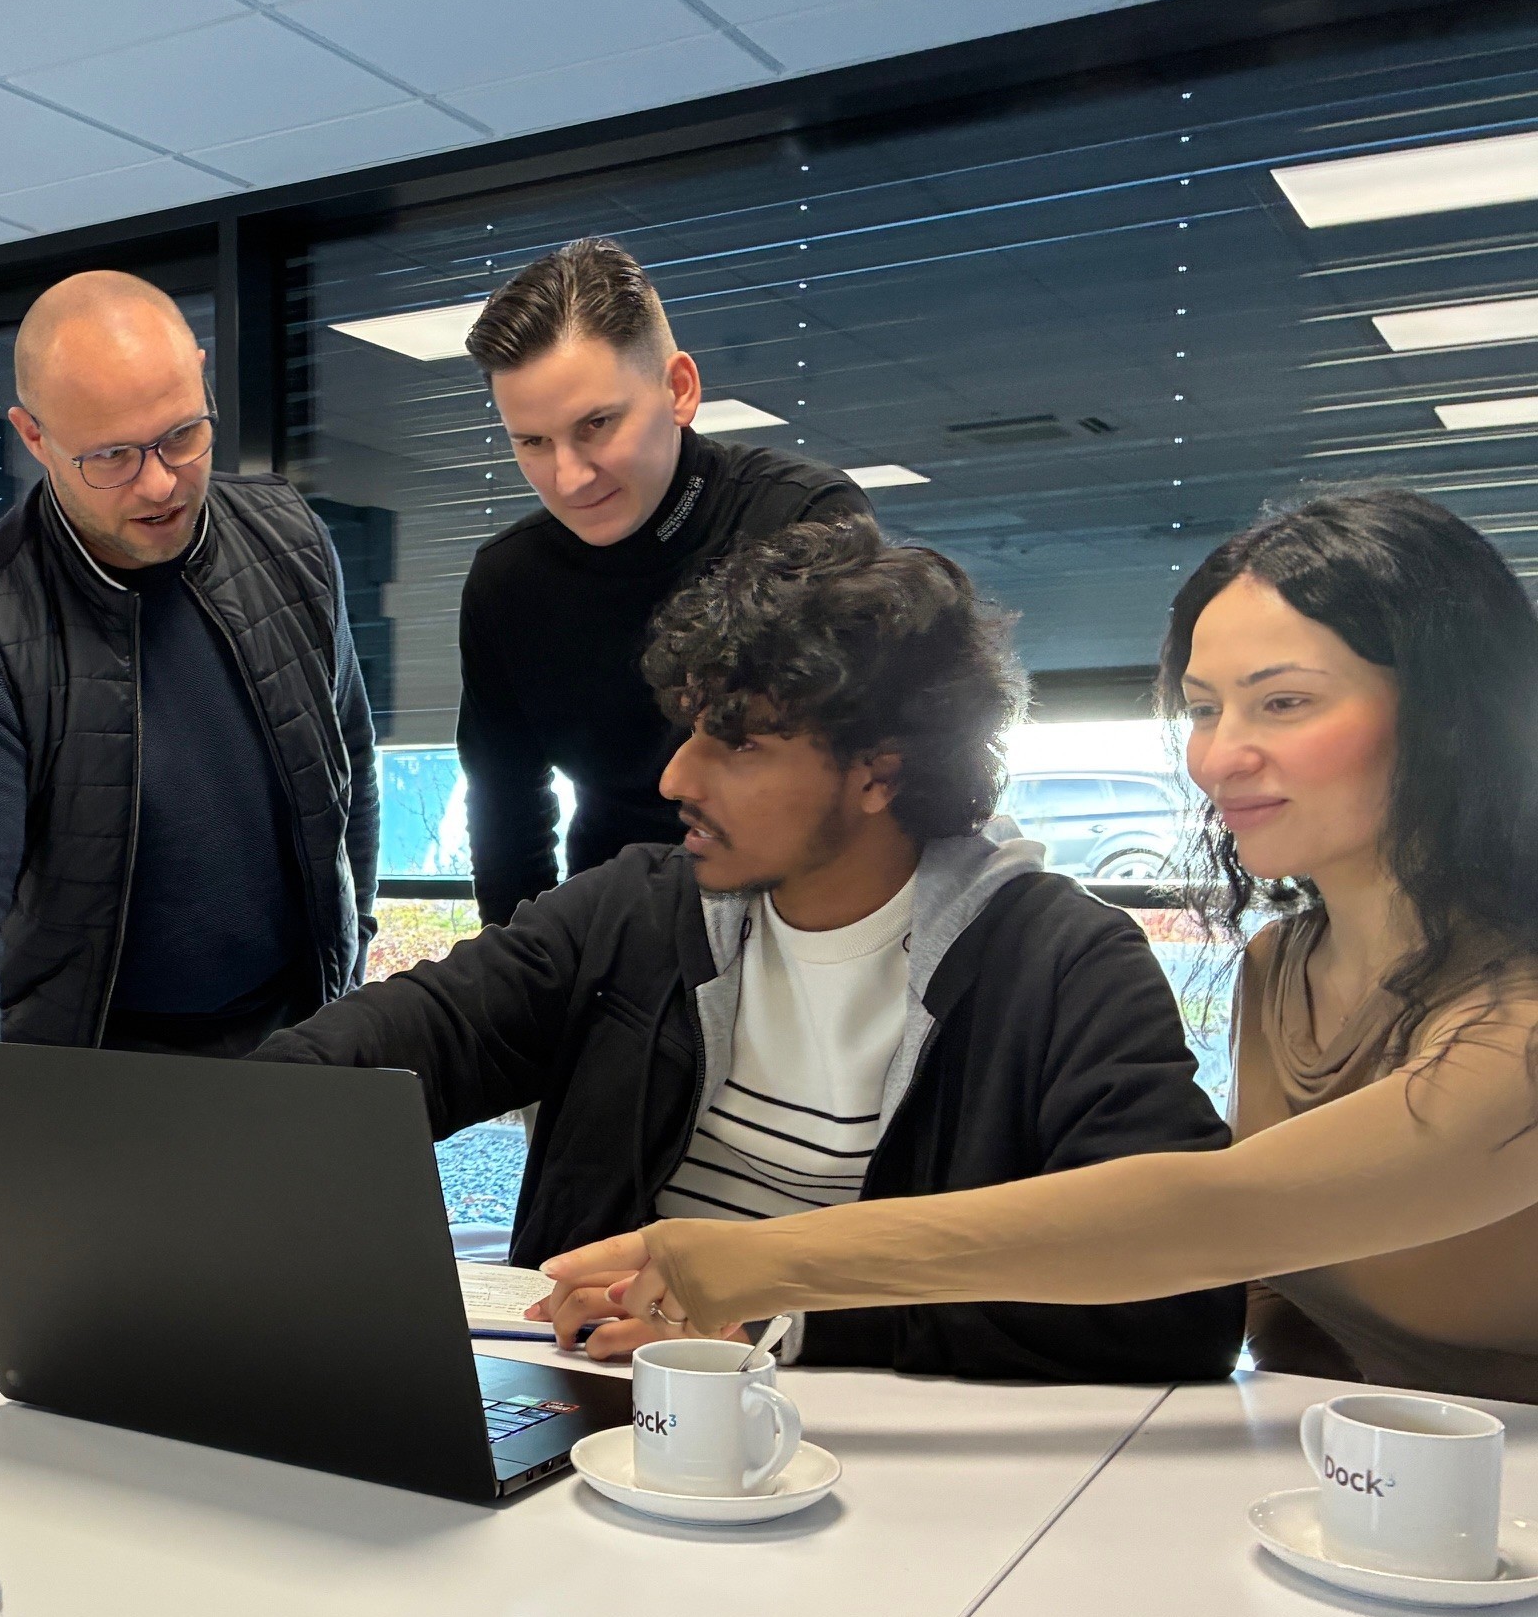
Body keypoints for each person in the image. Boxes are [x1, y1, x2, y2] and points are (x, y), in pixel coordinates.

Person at [555, 491, 1538, 1404]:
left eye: (1283, 702)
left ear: (1450, 713)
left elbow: (1214, 1219)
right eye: (1203, 708)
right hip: (1365, 1510)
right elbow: (1284, 1319)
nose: (1220, 754)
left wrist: (763, 1262)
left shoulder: (1522, 1020)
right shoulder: (1283, 967)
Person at [255, 518, 1242, 1381]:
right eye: (689, 731)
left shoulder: (1063, 966)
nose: (677, 775)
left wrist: (783, 1318)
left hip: (895, 1483)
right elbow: (403, 1042)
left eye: (740, 745)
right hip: (601, 1427)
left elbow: (1179, 1307)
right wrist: (219, 1136)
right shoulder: (634, 911)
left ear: (877, 775)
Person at [0, 270, 379, 1265]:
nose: (161, 480)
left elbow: (345, 775)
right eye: (112, 455)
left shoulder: (294, 545)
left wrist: (345, 987)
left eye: (183, 434)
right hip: (83, 1089)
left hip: (281, 1067)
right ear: (34, 437)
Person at [458, 237, 869, 926]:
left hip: (794, 924)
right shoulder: (508, 583)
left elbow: (851, 785)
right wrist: (524, 989)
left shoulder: (803, 521)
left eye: (596, 425)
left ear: (679, 389)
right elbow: (506, 819)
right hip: (615, 934)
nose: (569, 476)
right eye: (532, 441)